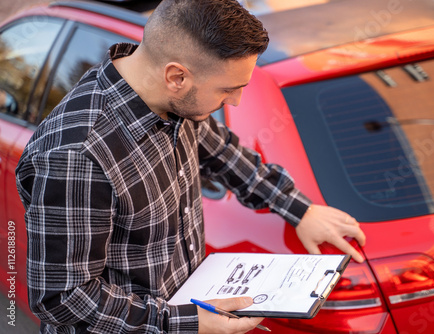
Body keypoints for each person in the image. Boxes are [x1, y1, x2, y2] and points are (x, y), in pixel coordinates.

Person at [15, 0, 366, 333]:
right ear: (177, 77)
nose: (236, 101)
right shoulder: (77, 156)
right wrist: (186, 323)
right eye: (229, 89)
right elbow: (63, 298)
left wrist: (298, 209)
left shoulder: (176, 102)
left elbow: (222, 153)